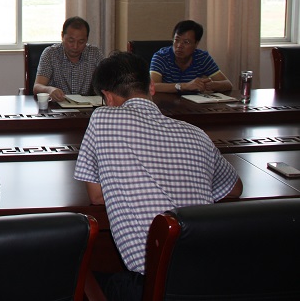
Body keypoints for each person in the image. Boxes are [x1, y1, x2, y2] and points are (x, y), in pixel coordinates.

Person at [74, 52, 242, 300]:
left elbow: (97, 196)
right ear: (151, 86)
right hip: (208, 281)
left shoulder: (103, 118)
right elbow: (234, 189)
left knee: (74, 275)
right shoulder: (196, 134)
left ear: (107, 97)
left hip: (152, 287)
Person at [150, 19, 233, 93]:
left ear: (196, 44)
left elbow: (228, 84)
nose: (179, 46)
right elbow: (152, 86)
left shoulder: (202, 58)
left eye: (186, 42)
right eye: (176, 40)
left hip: (193, 103)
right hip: (166, 103)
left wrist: (211, 85)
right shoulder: (161, 57)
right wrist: (184, 86)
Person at [33, 16, 103, 102]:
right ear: (62, 36)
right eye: (71, 41)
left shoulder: (95, 53)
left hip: (88, 106)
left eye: (81, 42)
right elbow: (37, 87)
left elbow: (108, 83)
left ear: (87, 40)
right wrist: (49, 90)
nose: (75, 46)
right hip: (58, 106)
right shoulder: (50, 54)